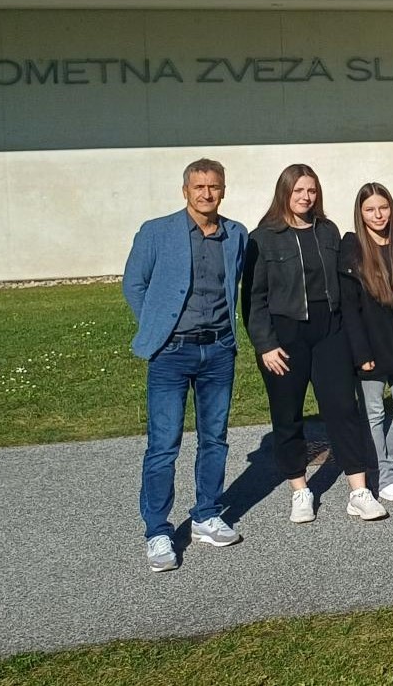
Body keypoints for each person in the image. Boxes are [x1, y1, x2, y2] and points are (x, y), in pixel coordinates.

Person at [124, 158, 248, 572]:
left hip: (218, 351)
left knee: (215, 439)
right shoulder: (156, 232)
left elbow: (236, 284)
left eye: (214, 186)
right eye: (199, 187)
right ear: (185, 191)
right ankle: (157, 531)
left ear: (223, 190)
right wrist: (156, 326)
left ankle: (206, 515)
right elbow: (134, 283)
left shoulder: (236, 234)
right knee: (164, 445)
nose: (206, 193)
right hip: (170, 353)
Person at [246, 165, 385, 522]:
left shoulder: (327, 231)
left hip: (329, 331)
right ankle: (300, 490)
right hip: (285, 336)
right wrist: (265, 344)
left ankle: (359, 491)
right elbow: (253, 299)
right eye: (298, 191)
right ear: (285, 192)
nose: (306, 197)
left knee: (343, 409)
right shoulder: (263, 237)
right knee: (287, 415)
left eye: (311, 190)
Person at [340, 183, 393, 504]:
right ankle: (385, 475)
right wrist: (360, 352)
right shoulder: (351, 251)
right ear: (360, 214)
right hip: (369, 346)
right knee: (373, 414)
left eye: (383, 207)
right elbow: (349, 309)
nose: (378, 215)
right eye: (370, 210)